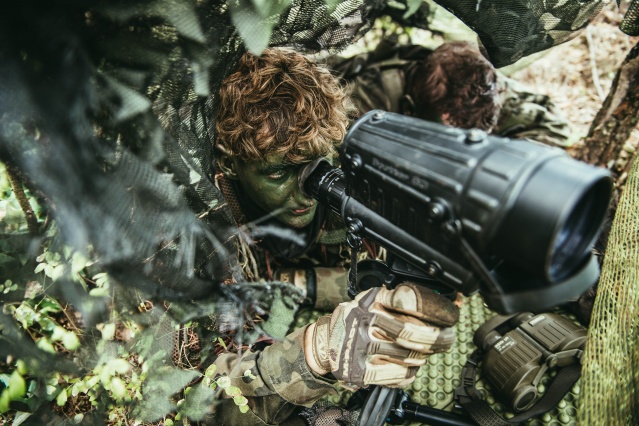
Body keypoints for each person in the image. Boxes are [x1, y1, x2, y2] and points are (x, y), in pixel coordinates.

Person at [208, 48, 459, 425]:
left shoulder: (342, 173)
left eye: (316, 164)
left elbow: (374, 267)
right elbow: (207, 402)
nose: (307, 190)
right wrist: (317, 350)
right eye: (278, 174)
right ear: (230, 163)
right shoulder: (202, 238)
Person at [329, 40, 573, 147]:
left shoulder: (487, 92)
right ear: (414, 106)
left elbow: (556, 129)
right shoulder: (374, 95)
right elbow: (333, 140)